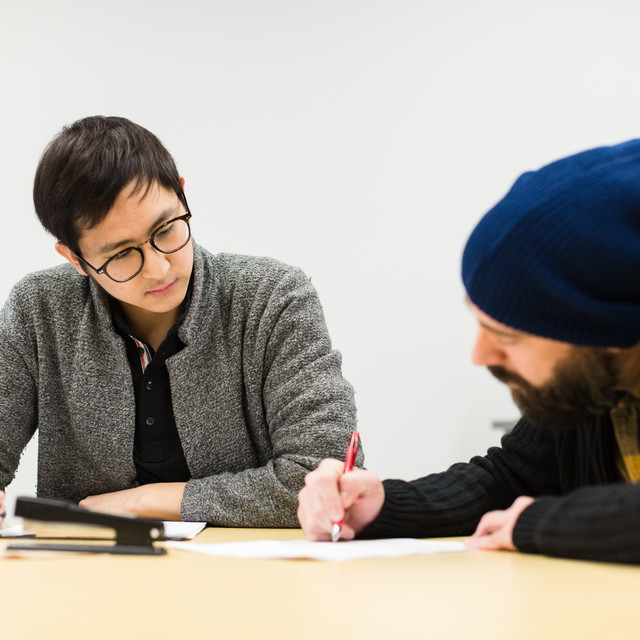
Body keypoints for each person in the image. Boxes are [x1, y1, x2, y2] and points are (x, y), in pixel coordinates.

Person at [0, 115, 359, 528]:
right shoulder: (39, 311)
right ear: (75, 260)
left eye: (166, 229)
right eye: (121, 255)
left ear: (183, 195)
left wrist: (144, 502)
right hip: (87, 576)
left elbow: (325, 478)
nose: (158, 268)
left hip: (252, 578)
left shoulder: (272, 298)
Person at [298, 138, 640, 564]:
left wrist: (542, 523)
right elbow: (511, 476)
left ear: (607, 329)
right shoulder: (589, 384)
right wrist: (384, 507)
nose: (480, 354)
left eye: (509, 335)